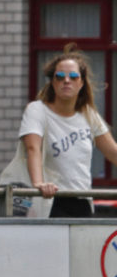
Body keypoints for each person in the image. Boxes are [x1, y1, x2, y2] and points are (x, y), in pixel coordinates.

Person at [22, 45, 117, 217]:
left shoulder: (88, 114)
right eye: (60, 76)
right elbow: (32, 149)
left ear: (81, 83)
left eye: (73, 76)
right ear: (52, 82)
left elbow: (113, 153)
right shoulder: (37, 110)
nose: (67, 80)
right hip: (49, 200)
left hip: (82, 201)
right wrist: (39, 184)